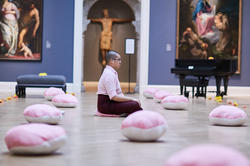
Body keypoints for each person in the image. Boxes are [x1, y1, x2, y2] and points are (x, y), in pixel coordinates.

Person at [97, 50, 142, 116]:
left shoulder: (112, 72)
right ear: (112, 61)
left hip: (111, 102)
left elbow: (119, 93)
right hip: (105, 106)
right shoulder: (109, 74)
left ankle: (132, 112)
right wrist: (132, 99)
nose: (120, 62)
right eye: (119, 60)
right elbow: (113, 97)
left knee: (134, 104)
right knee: (135, 104)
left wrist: (129, 101)